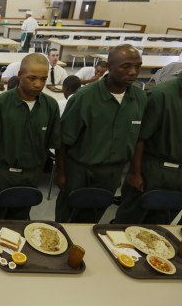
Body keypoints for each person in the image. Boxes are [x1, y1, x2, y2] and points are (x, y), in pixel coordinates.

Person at [55, 44, 147, 223]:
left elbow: (138, 139)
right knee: (67, 218)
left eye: (137, 67)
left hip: (112, 173)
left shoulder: (140, 99)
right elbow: (63, 140)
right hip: (80, 170)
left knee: (93, 217)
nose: (133, 72)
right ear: (109, 66)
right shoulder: (85, 97)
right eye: (126, 66)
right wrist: (61, 173)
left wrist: (134, 172)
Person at [0, 54, 60, 220]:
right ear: (20, 74)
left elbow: (48, 144)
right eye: (32, 78)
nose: (38, 84)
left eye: (43, 79)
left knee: (21, 217)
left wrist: (38, 171)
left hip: (30, 174)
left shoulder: (50, 106)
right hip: (2, 173)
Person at [115, 75, 182, 224]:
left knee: (161, 225)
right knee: (129, 220)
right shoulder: (161, 94)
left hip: (178, 173)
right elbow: (139, 137)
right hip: (153, 167)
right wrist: (135, 172)